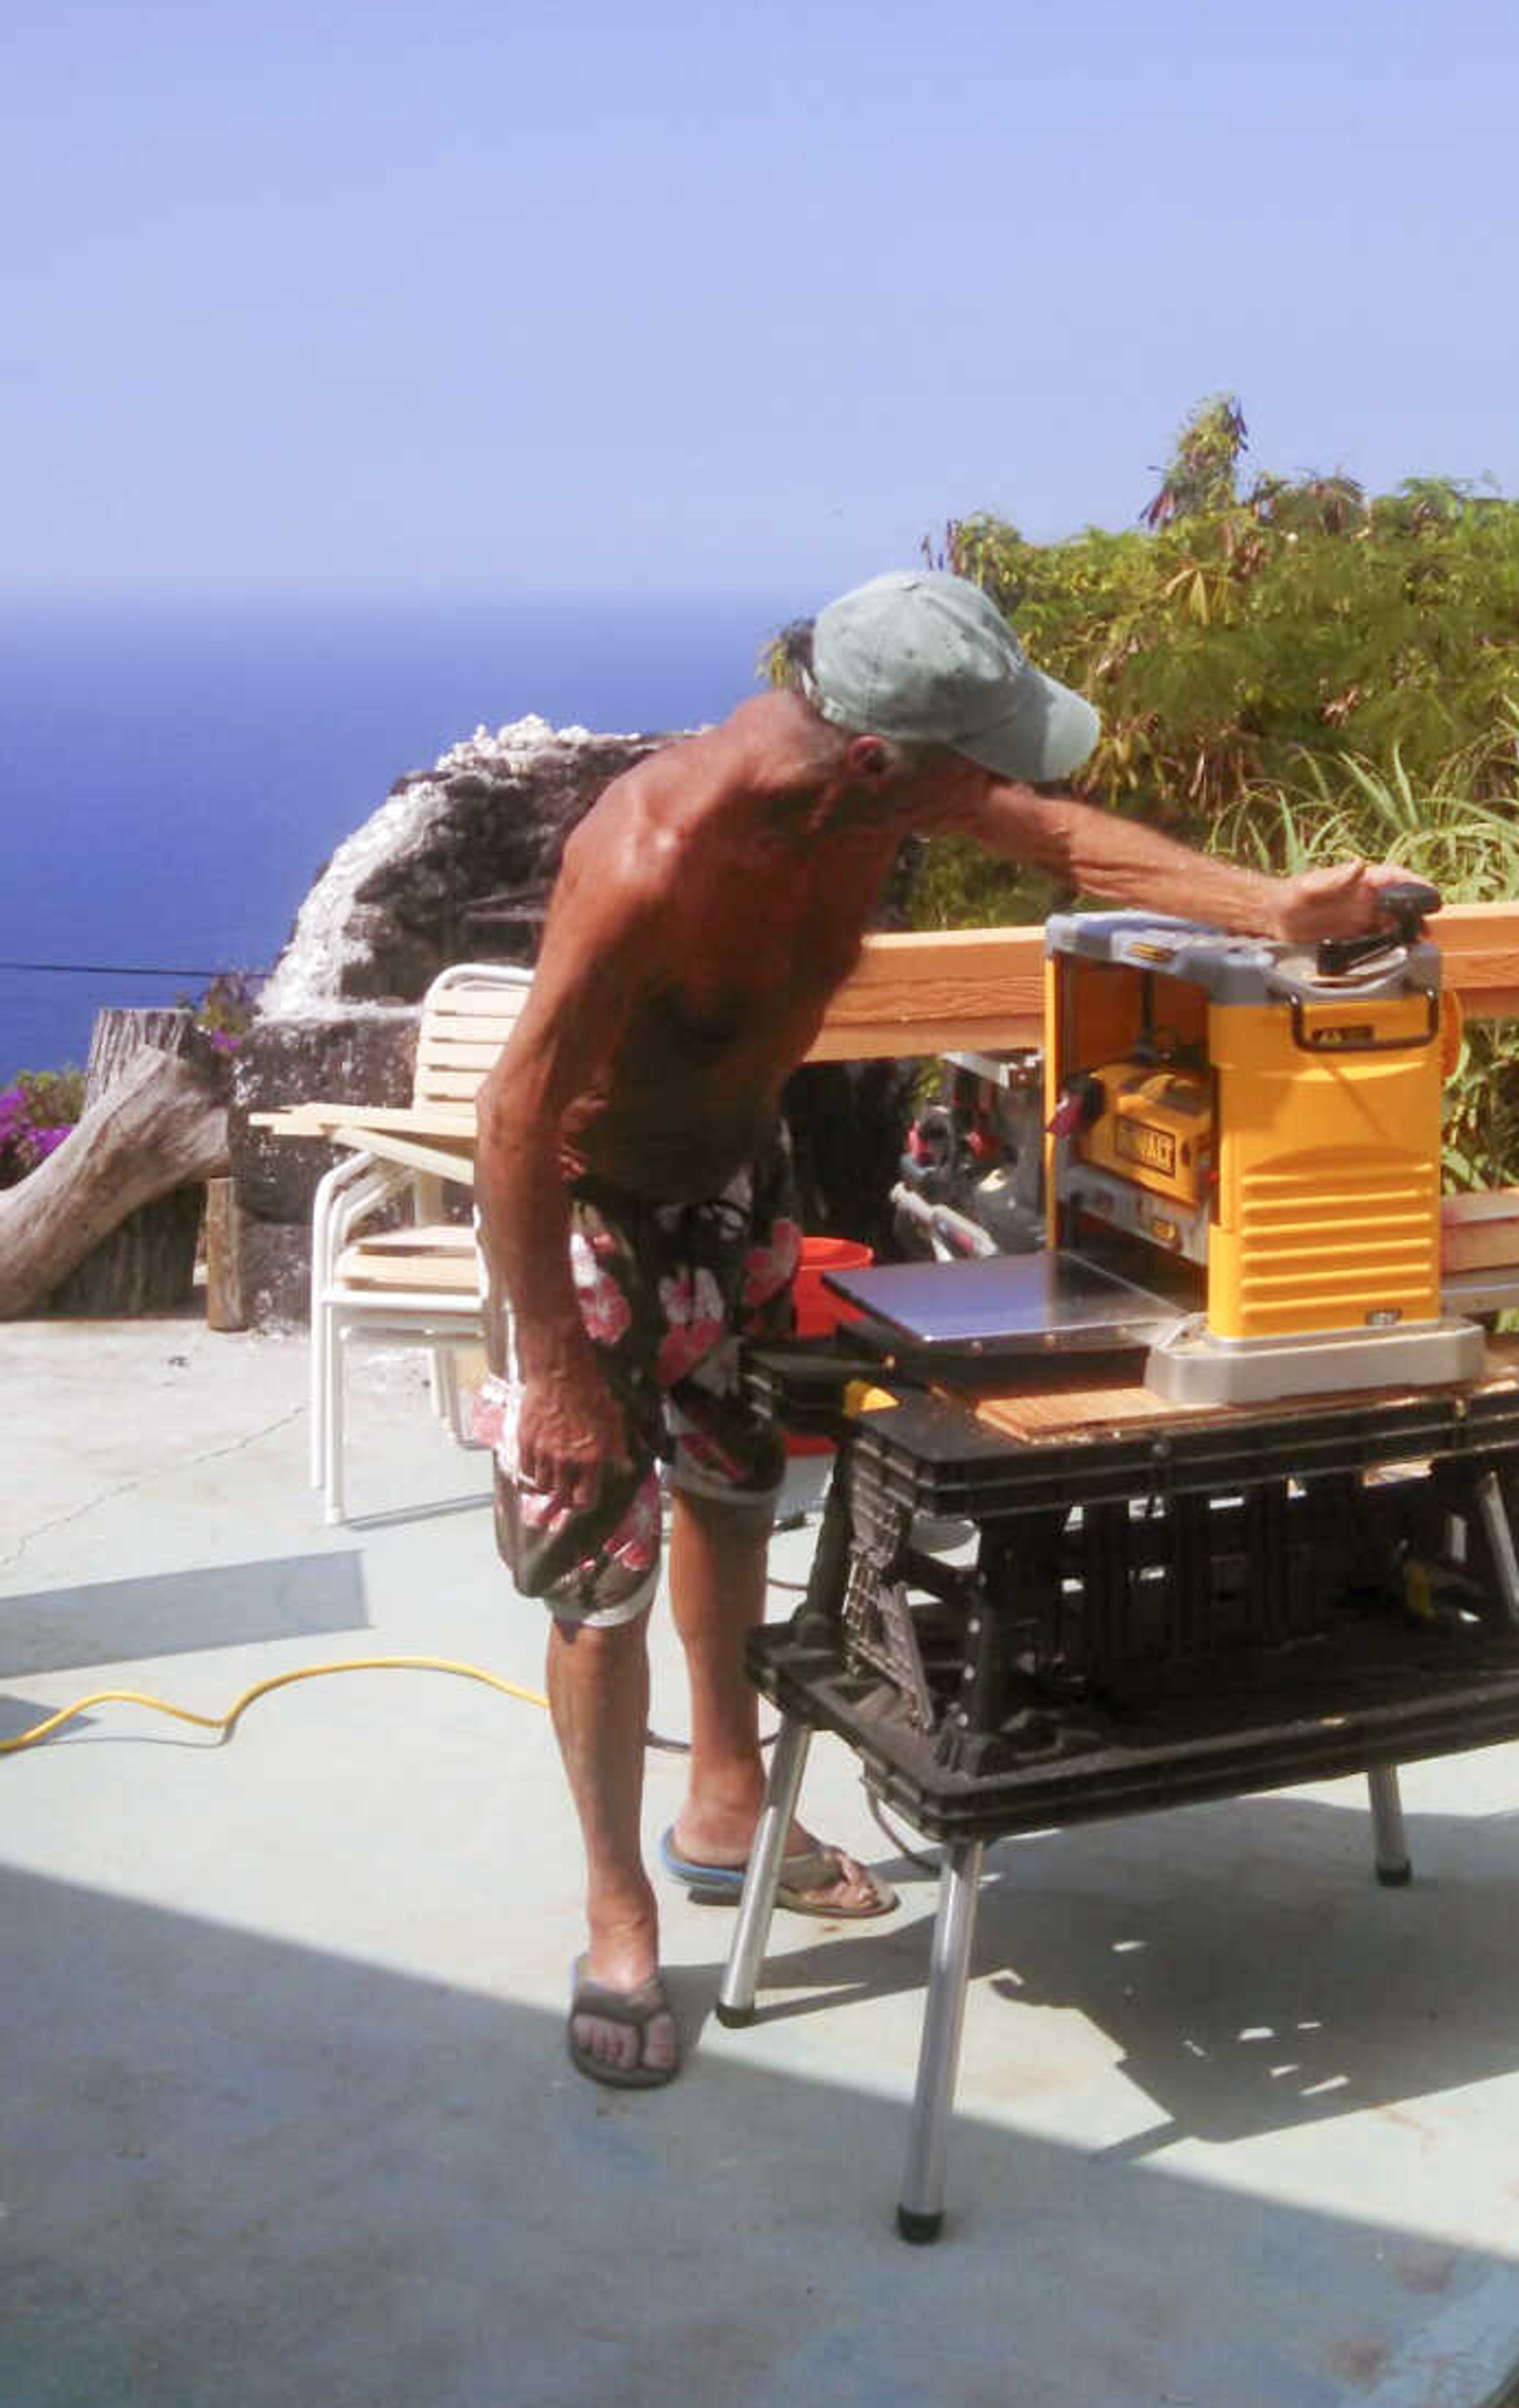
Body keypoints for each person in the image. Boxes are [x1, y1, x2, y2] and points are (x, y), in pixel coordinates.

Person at [474, 568, 1415, 2089]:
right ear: (872, 765)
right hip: (584, 1219)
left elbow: (1054, 834)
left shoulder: (872, 792)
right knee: (600, 1570)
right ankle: (619, 1913)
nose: (989, 791)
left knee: (732, 1495)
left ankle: (723, 1806)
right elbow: (513, 1115)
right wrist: (560, 1373)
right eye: (964, 766)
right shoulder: (649, 861)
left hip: (732, 1181)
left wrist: (1271, 909)